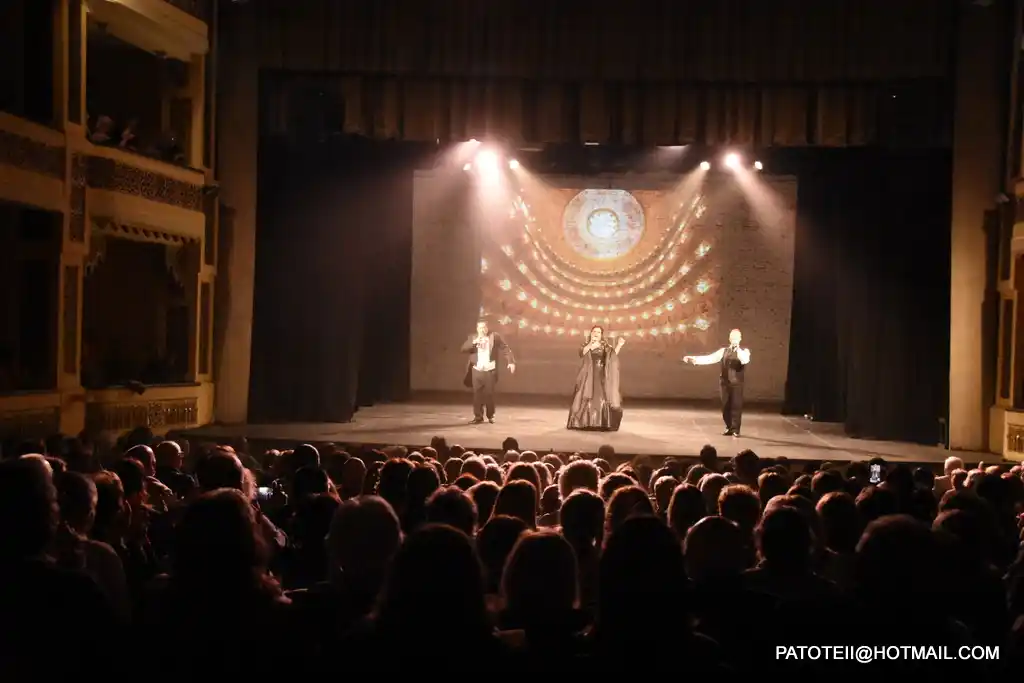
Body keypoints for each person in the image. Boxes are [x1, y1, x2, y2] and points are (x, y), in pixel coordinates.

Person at [683, 328, 750, 437]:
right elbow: (710, 358)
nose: (734, 339)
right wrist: (694, 359)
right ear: (729, 338)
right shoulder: (723, 351)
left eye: (736, 337)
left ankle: (736, 429)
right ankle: (729, 427)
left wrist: (737, 349)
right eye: (733, 337)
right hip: (724, 382)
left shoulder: (744, 351)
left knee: (736, 405)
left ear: (740, 339)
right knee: (725, 406)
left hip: (736, 383)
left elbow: (745, 360)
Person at [567, 325, 625, 431]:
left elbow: (612, 356)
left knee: (601, 396)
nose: (596, 334)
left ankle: (600, 422)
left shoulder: (605, 346)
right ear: (591, 333)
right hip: (588, 374)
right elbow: (582, 353)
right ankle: (584, 422)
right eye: (594, 331)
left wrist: (619, 345)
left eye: (598, 332)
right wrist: (591, 343)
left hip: (601, 374)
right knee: (585, 395)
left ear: (601, 335)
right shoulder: (586, 345)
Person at [461, 319, 516, 424]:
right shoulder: (472, 337)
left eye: (484, 327)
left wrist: (511, 362)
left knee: (489, 394)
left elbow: (505, 348)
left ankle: (490, 416)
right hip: (477, 370)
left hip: (489, 370)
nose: (482, 330)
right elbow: (463, 349)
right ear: (477, 329)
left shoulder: (494, 337)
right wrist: (474, 342)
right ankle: (478, 417)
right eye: (480, 328)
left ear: (487, 328)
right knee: (477, 395)